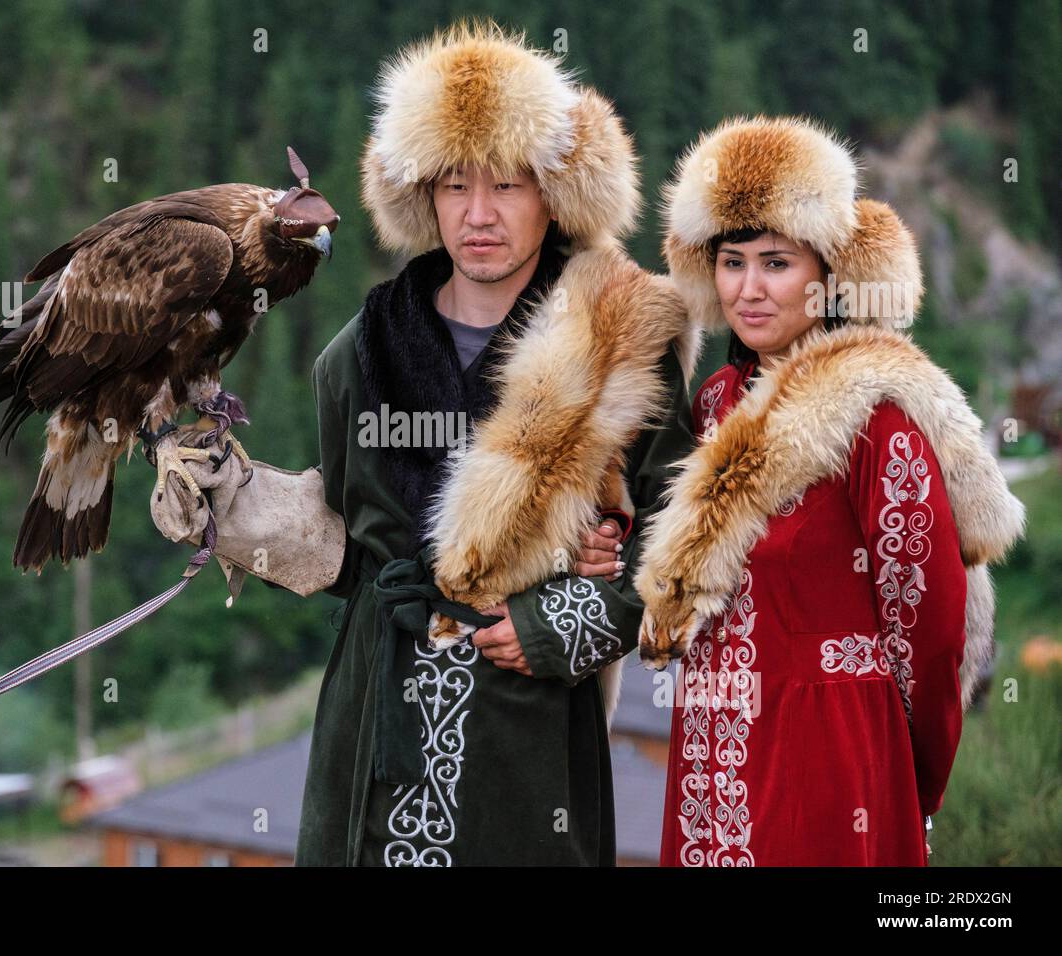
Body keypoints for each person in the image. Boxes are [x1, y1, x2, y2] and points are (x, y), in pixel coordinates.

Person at [150, 20, 699, 865]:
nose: (478, 215)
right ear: (422, 195)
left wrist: (563, 621)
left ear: (551, 195)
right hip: (375, 719)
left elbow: (679, 541)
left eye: (508, 185)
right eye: (453, 186)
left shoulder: (624, 338)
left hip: (530, 736)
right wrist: (245, 514)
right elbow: (350, 551)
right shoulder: (356, 356)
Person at [590, 116, 1025, 865]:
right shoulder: (715, 402)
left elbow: (931, 616)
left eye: (776, 263)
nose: (749, 289)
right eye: (732, 262)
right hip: (711, 738)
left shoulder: (878, 416)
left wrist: (908, 770)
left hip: (832, 750)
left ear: (827, 276)